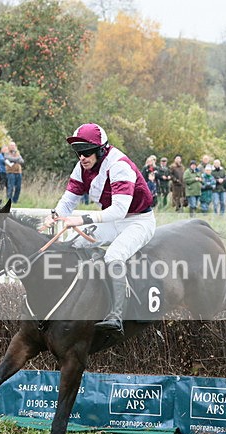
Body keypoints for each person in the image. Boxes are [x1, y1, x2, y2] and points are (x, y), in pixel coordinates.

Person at [43, 123, 155, 334]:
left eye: (86, 152)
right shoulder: (82, 168)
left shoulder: (119, 166)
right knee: (75, 244)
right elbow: (68, 201)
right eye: (78, 153)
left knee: (113, 256)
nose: (82, 158)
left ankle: (117, 315)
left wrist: (81, 220)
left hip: (138, 220)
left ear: (101, 150)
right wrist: (54, 215)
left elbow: (119, 211)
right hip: (113, 220)